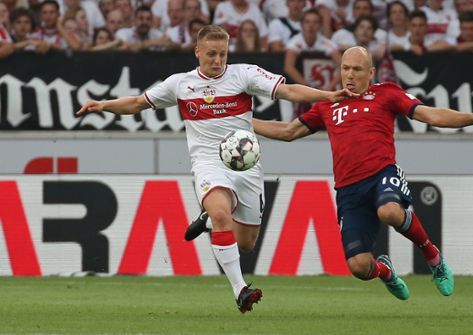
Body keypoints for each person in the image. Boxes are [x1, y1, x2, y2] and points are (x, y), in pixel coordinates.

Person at [189, 46, 473, 300]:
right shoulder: (328, 105)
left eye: (357, 69)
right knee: (358, 266)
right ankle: (386, 271)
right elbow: (287, 131)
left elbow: (430, 114)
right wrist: (240, 123)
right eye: (345, 68)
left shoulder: (387, 93)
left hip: (382, 172)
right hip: (348, 189)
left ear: (371, 72)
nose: (350, 75)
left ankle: (433, 256)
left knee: (390, 211)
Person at [76, 25, 350, 313]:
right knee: (222, 215)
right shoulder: (180, 84)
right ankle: (240, 289)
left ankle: (208, 220)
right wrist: (103, 105)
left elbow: (288, 90)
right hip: (209, 163)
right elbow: (135, 103)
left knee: (246, 244)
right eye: (210, 54)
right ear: (197, 52)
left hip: (246, 166)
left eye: (222, 54)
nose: (217, 60)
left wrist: (327, 96)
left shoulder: (244, 75)